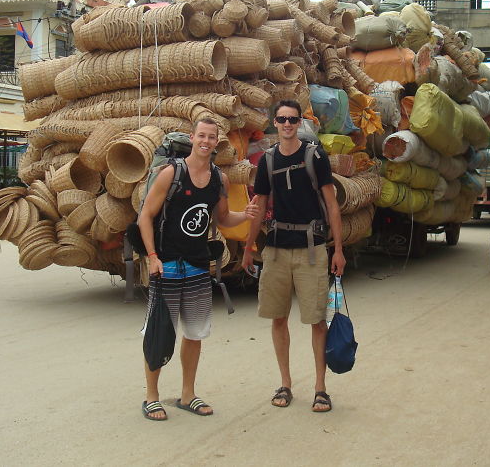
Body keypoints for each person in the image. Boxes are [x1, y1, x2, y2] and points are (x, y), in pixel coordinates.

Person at [137, 118, 253, 421]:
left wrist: (247, 215)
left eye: (211, 137)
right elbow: (145, 217)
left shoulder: (220, 180)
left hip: (198, 265)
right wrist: (152, 256)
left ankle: (187, 394)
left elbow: (222, 220)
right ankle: (152, 397)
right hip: (167, 265)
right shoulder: (171, 174)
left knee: (195, 333)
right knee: (160, 331)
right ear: (193, 138)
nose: (206, 141)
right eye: (201, 135)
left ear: (217, 142)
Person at [241, 100, 345, 413]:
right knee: (278, 317)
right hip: (275, 249)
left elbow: (332, 204)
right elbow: (258, 206)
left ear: (299, 123)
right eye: (282, 119)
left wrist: (338, 249)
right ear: (275, 122)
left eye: (292, 120)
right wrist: (248, 248)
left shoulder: (315, 156)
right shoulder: (268, 161)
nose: (287, 125)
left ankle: (320, 388)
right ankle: (285, 383)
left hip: (312, 248)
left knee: (316, 321)